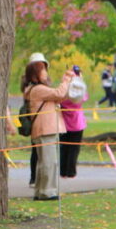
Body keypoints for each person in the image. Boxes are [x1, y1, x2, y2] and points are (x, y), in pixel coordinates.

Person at [22, 60, 73, 201]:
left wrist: (72, 82)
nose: (46, 73)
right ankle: (47, 192)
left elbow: (61, 96)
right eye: (43, 70)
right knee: (49, 162)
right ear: (35, 74)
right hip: (45, 129)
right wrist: (67, 79)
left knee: (45, 162)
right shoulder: (38, 89)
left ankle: (41, 190)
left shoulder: (38, 89)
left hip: (45, 129)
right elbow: (59, 93)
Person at [26, 52, 50, 186]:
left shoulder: (45, 82)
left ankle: (38, 178)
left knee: (41, 151)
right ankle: (34, 177)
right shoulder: (31, 86)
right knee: (36, 150)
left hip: (42, 118)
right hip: (35, 119)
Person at [59, 65, 87, 179]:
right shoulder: (79, 88)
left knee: (64, 147)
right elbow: (84, 98)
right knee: (74, 149)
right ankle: (71, 171)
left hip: (64, 123)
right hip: (77, 123)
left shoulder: (64, 88)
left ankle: (63, 171)